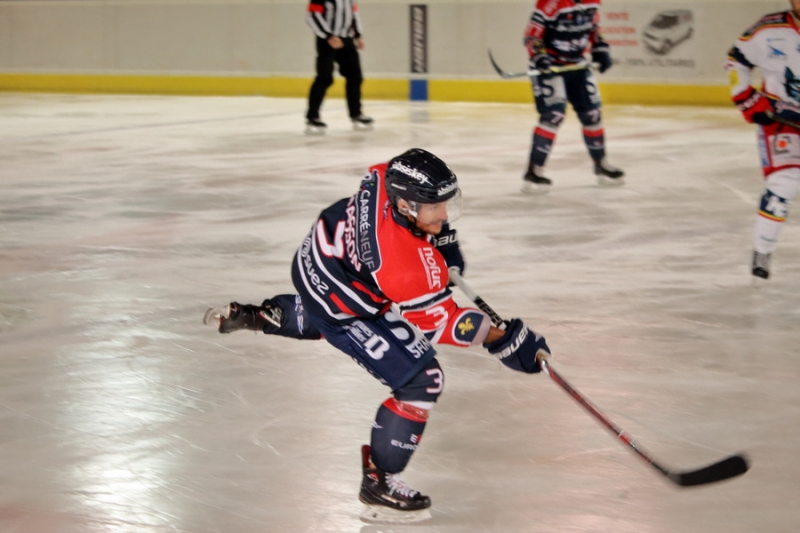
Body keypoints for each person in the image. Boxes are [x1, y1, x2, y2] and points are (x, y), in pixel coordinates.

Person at [204, 148, 551, 523]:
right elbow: (442, 322)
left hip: (316, 258)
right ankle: (379, 484)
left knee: (328, 309)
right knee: (422, 379)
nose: (444, 214)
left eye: (445, 204)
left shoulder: (388, 176)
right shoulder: (403, 267)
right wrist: (503, 339)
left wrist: (440, 240)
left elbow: (402, 210)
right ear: (405, 204)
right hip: (342, 293)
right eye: (434, 208)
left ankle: (262, 316)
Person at [726, 0, 800, 281]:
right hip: (782, 121)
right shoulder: (769, 30)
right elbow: (735, 61)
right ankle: (763, 250)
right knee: (785, 183)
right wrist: (745, 97)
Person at [522, 0, 624, 191]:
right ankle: (534, 171)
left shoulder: (592, 2)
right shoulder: (551, 3)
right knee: (553, 115)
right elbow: (532, 36)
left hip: (577, 66)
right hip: (550, 67)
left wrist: (600, 48)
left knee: (592, 114)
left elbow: (594, 28)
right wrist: (539, 57)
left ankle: (601, 163)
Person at [304, 0, 373, 134]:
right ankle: (312, 116)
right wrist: (328, 36)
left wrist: (358, 35)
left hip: (347, 40)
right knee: (324, 78)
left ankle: (356, 114)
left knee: (355, 77)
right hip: (326, 41)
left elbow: (354, 15)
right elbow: (312, 16)